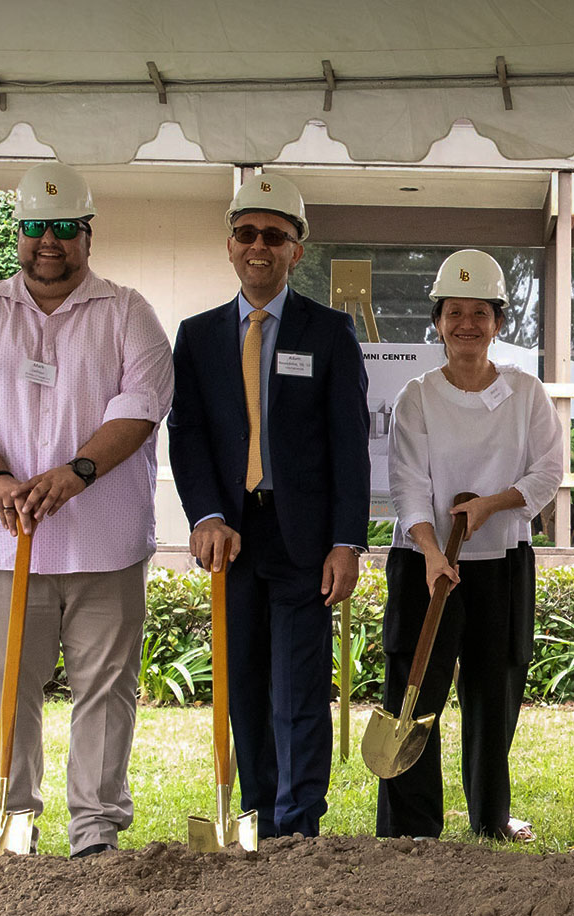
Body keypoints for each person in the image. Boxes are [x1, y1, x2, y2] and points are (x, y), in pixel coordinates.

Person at [0, 163, 174, 857]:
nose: (49, 242)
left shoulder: (128, 312)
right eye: (36, 227)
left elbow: (143, 403)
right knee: (6, 693)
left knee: (106, 693)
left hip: (106, 547)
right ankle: (10, 823)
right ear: (18, 235)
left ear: (88, 235)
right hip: (7, 548)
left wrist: (78, 473)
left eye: (65, 229)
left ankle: (95, 831)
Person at [167, 172, 370, 839]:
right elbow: (188, 436)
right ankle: (253, 815)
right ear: (230, 245)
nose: (259, 246)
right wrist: (205, 517)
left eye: (275, 236)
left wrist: (347, 539)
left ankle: (297, 823)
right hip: (231, 535)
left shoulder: (330, 332)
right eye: (247, 233)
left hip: (303, 538)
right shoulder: (196, 338)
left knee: (298, 689)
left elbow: (349, 443)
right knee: (244, 683)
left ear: (296, 251)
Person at [376, 249, 564, 842]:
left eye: (479, 312)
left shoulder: (526, 394)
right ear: (437, 321)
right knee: (415, 688)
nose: (466, 324)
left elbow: (547, 471)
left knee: (495, 690)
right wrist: (432, 552)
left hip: (501, 563)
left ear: (498, 323)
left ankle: (490, 817)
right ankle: (411, 825)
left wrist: (491, 505)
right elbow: (408, 485)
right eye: (454, 312)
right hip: (427, 564)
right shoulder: (418, 396)